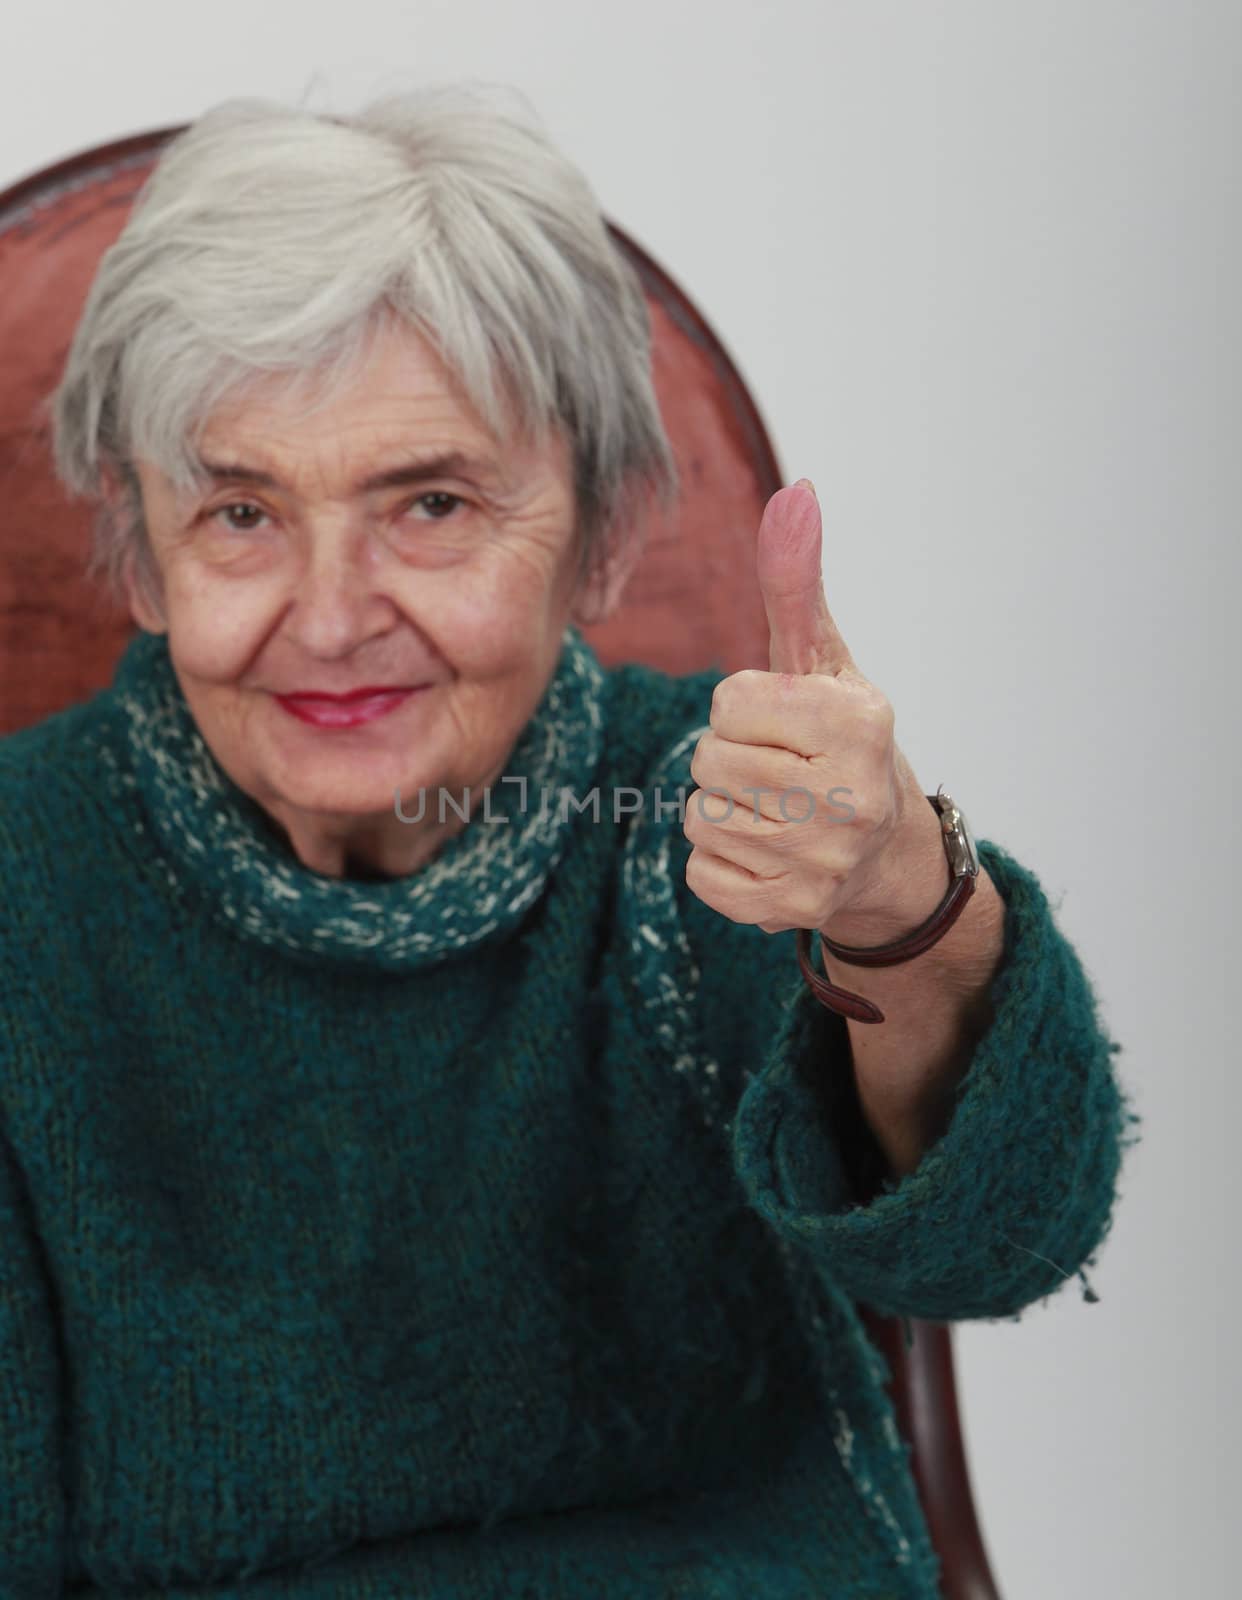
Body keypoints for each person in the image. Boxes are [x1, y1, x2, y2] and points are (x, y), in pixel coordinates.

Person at [0, 82, 1136, 1598]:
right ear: (142, 556)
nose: (332, 621)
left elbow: (997, 1244)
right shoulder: (21, 885)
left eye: (432, 503)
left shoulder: (704, 812)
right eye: (241, 514)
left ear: (599, 538)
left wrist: (899, 908)